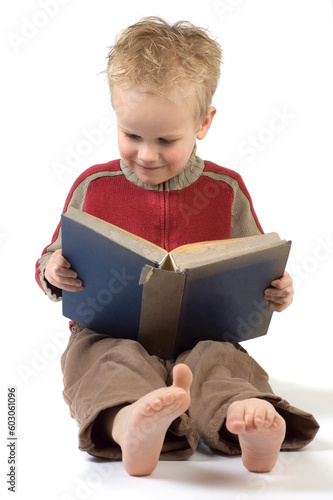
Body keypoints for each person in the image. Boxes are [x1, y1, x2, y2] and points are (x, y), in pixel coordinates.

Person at [35, 17, 319, 477]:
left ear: (204, 123)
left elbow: (256, 265)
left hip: (202, 334)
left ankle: (243, 416)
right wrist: (53, 270)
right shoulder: (94, 186)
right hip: (110, 331)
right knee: (104, 364)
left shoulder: (227, 190)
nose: (146, 155)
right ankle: (131, 421)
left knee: (222, 362)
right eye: (132, 135)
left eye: (166, 140)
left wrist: (278, 289)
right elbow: (50, 256)